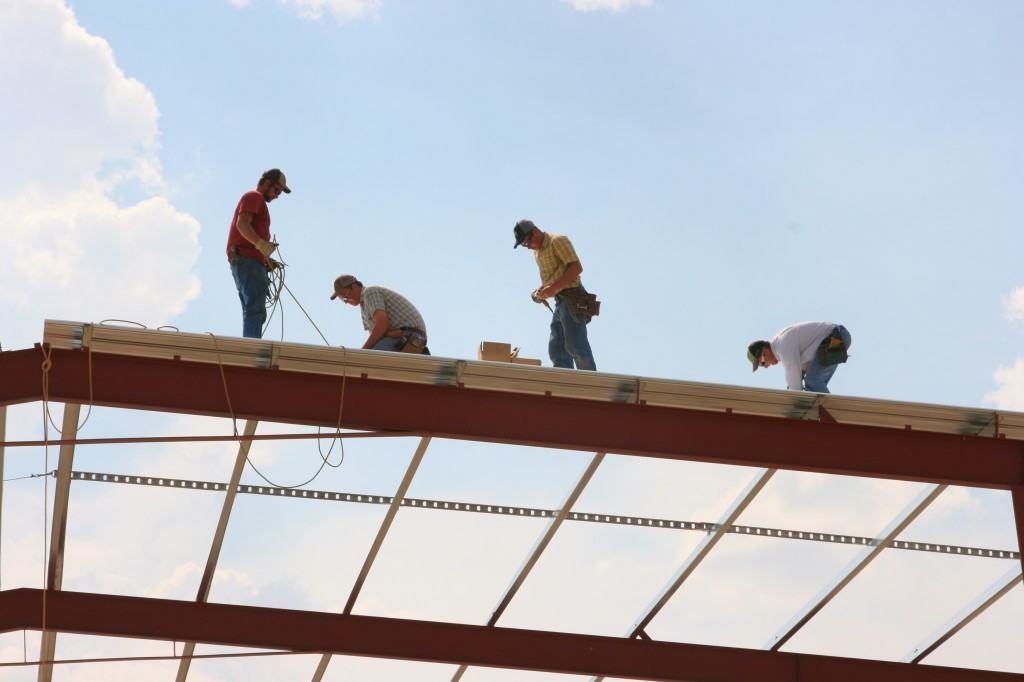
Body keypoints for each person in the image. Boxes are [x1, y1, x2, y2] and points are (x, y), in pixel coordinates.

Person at [514, 219, 596, 371]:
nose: (528, 247)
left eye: (527, 242)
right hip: (561, 301)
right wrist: (541, 291)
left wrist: (551, 290)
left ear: (535, 231)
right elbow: (553, 277)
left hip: (572, 296)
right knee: (557, 348)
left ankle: (590, 383)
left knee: (575, 345)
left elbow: (576, 268)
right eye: (524, 245)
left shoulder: (557, 241)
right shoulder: (537, 252)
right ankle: (563, 383)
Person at [226, 168, 291, 338]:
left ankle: (250, 345)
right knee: (255, 310)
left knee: (252, 309)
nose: (277, 195)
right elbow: (242, 224)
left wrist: (263, 257)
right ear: (267, 183)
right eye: (277, 190)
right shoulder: (254, 196)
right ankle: (252, 350)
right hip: (247, 259)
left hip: (247, 259)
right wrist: (260, 244)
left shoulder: (255, 199)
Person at [330, 275, 430, 354]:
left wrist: (362, 352)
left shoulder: (370, 293)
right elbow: (375, 336)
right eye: (343, 300)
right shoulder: (364, 308)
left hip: (408, 337)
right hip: (404, 337)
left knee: (366, 362)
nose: (347, 302)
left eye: (345, 297)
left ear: (353, 286)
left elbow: (382, 325)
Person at [747, 321, 852, 393]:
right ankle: (823, 415)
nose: (765, 366)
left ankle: (829, 415)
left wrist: (793, 401)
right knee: (812, 385)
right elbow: (798, 372)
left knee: (812, 381)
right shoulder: (781, 344)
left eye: (762, 363)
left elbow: (793, 377)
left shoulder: (783, 347)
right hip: (835, 338)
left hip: (835, 338)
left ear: (765, 352)